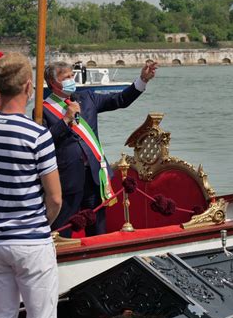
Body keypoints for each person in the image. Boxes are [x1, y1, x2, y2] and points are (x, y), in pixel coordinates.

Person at [0, 52, 62, 318]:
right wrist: (42, 224)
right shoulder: (38, 135)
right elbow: (54, 198)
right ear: (29, 86)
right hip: (31, 241)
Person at [40, 60, 157, 237]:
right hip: (66, 180)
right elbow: (44, 142)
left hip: (95, 176)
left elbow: (120, 100)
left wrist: (142, 80)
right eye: (66, 77)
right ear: (53, 83)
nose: (71, 79)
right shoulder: (42, 110)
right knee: (62, 231)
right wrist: (65, 120)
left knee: (97, 230)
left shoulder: (87, 98)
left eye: (72, 75)